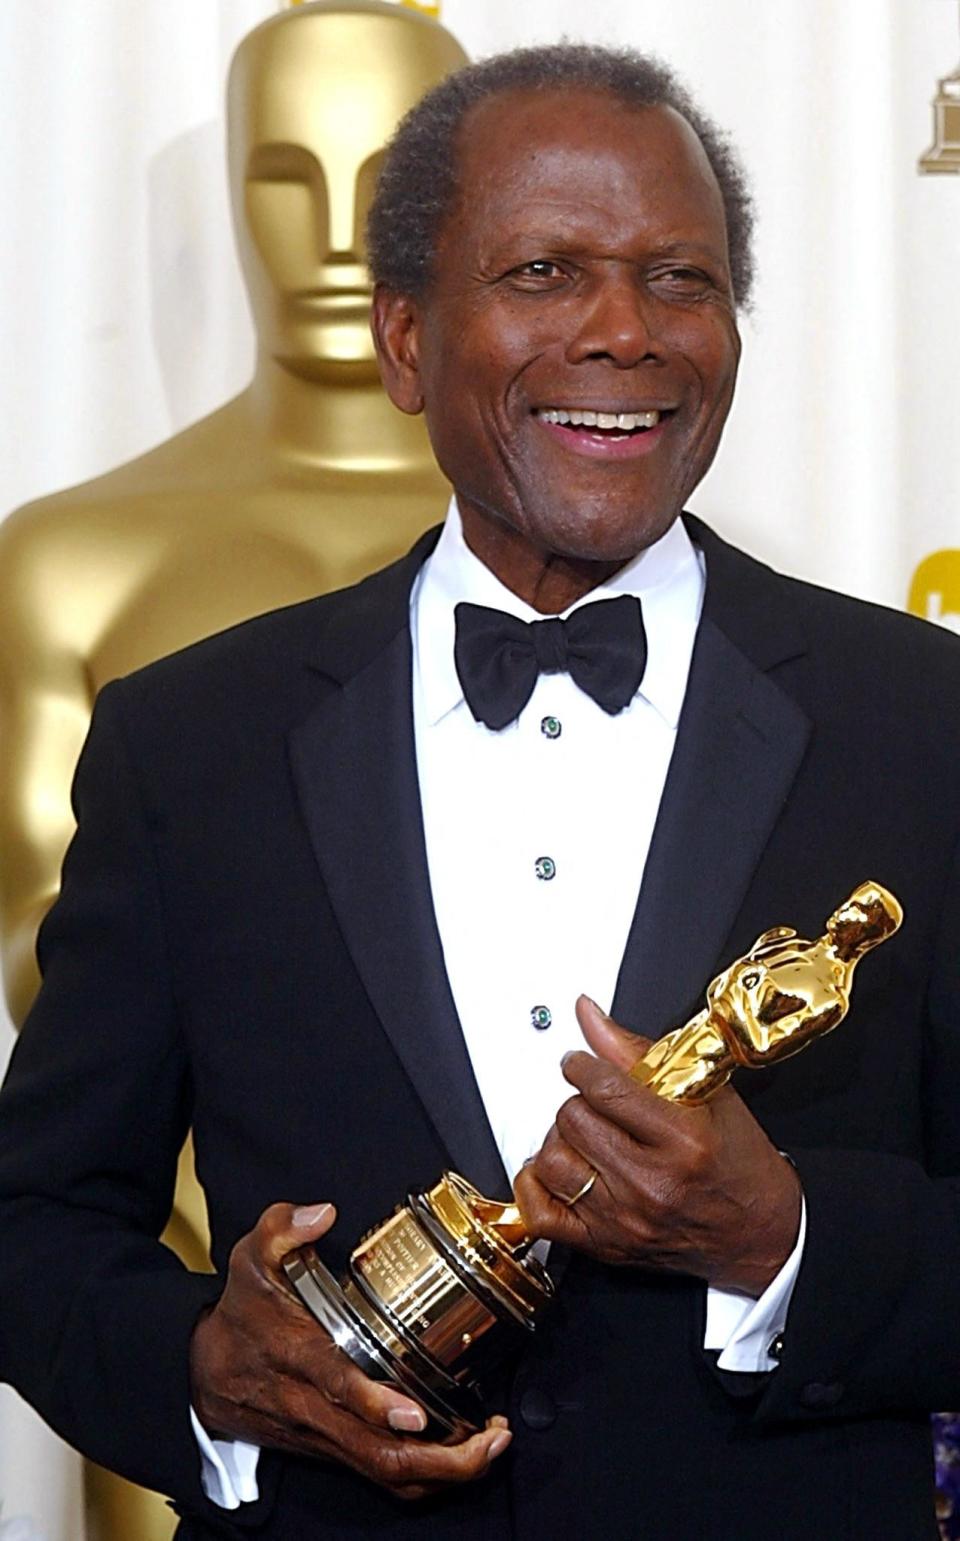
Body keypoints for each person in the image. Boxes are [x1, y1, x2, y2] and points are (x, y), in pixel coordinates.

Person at [1, 41, 959, 1541]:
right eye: (543, 270)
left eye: (682, 279)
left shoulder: (925, 722)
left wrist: (790, 1243)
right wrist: (207, 1368)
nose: (626, 331)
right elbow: (39, 1222)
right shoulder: (190, 744)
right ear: (403, 341)